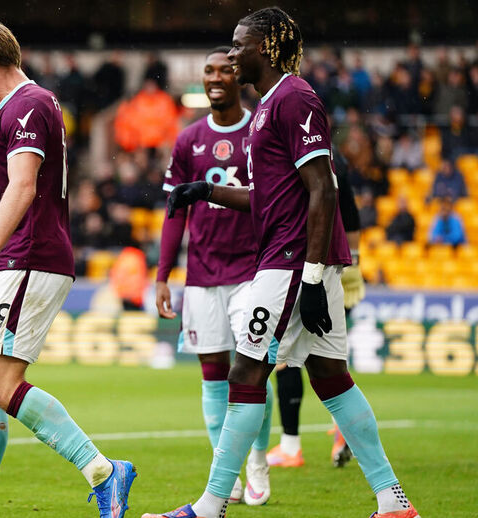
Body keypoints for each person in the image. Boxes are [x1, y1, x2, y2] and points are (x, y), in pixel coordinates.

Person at [144, 7, 418, 518]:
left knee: (245, 373)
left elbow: (323, 189)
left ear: (267, 47)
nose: (230, 54)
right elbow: (272, 197)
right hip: (293, 259)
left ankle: (210, 505)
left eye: (238, 44)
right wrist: (208, 190)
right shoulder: (272, 104)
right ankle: (392, 501)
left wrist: (312, 277)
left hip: (291, 262)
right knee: (332, 378)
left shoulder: (295, 98)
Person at [0, 20, 136, 518]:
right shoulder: (27, 106)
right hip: (25, 252)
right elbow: (7, 192)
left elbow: (22, 191)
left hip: (29, 255)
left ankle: (103, 471)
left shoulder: (26, 105)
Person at [154, 47, 272, 506]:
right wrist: (164, 274)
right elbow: (174, 212)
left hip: (252, 269)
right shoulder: (188, 140)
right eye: (209, 70)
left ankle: (258, 457)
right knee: (211, 373)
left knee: (252, 370)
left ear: (238, 76)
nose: (216, 76)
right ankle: (228, 471)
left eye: (225, 69)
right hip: (202, 273)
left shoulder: (260, 131)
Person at [266, 147, 365, 470]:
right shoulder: (336, 160)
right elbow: (350, 212)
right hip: (339, 266)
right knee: (330, 363)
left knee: (286, 361)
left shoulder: (287, 156)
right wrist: (355, 263)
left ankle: (291, 446)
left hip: (299, 263)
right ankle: (343, 429)